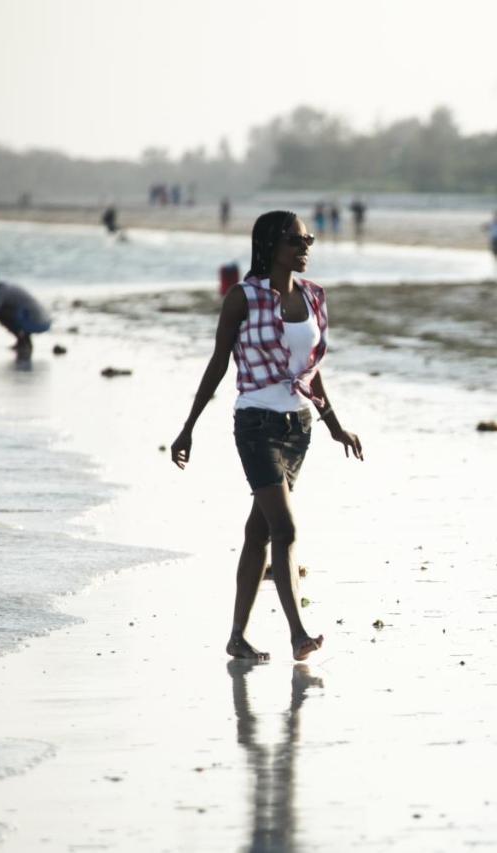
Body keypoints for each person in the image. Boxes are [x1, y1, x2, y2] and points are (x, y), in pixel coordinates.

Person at [170, 211, 363, 662]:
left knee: (259, 532)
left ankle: (237, 637)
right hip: (255, 422)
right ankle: (298, 634)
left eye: (309, 239)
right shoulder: (243, 297)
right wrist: (188, 426)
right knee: (285, 527)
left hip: (299, 428)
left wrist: (335, 425)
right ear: (270, 246)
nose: (305, 247)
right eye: (296, 241)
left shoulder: (315, 297)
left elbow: (311, 374)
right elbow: (219, 363)